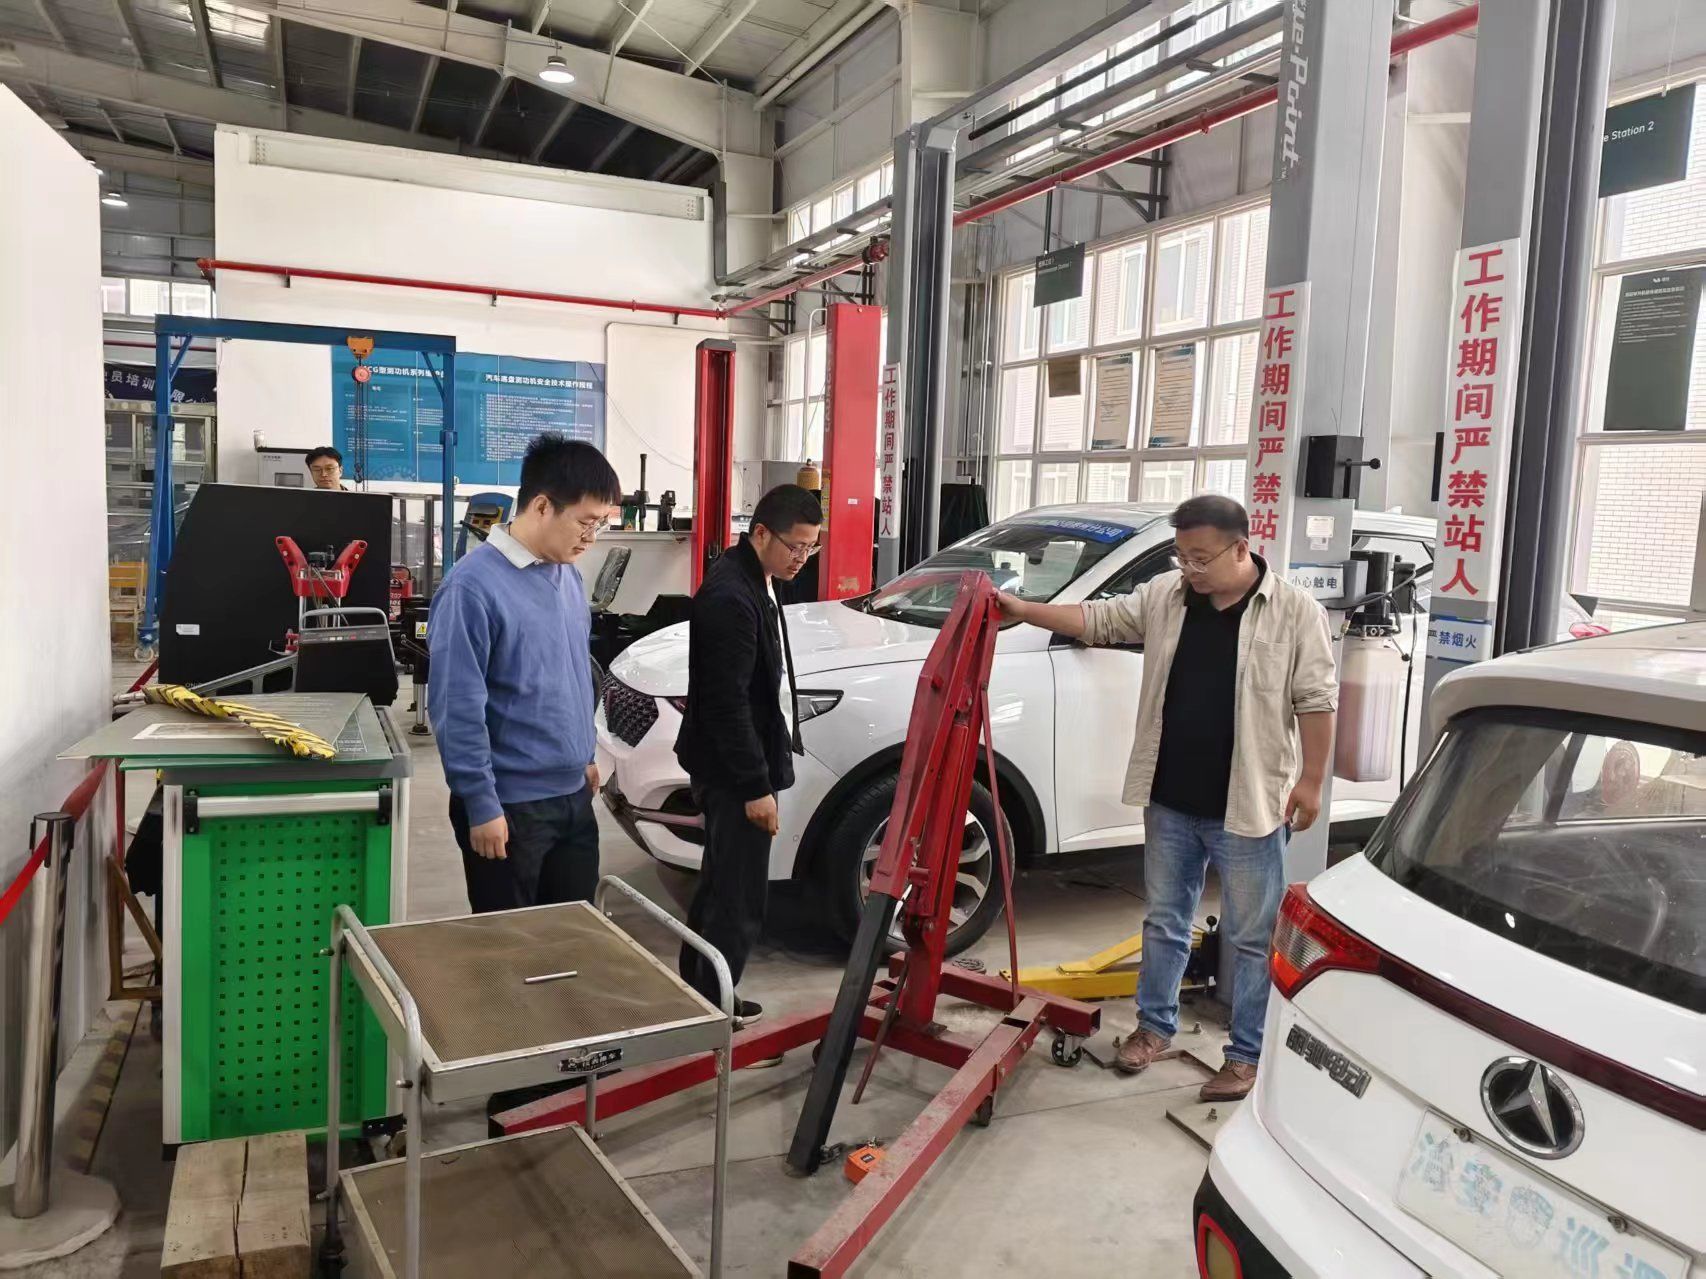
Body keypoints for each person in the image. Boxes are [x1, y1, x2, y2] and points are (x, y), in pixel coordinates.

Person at [997, 494, 1336, 1102]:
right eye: (1182, 556)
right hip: (1172, 798)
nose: (1190, 569)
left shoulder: (1293, 611)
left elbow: (1316, 700)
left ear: (1241, 547)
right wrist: (1023, 610)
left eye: (1201, 558)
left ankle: (1246, 1055)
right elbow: (1098, 620)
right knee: (1164, 921)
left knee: (1253, 937)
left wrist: (1311, 781)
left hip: (1248, 805)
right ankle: (1153, 1028)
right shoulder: (1166, 596)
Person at [429, 433, 621, 914]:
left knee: (572, 935)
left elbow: (571, 674)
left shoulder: (567, 575)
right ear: (541, 506)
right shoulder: (472, 588)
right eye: (586, 521)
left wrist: (584, 754)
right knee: (511, 947)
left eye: (601, 524)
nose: (591, 537)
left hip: (573, 796)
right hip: (509, 807)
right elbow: (456, 707)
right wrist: (480, 802)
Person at [675, 485, 821, 1023]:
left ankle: (699, 996)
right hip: (734, 776)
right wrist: (756, 788)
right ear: (761, 533)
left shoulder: (755, 577)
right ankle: (716, 1015)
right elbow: (726, 705)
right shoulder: (730, 597)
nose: (802, 558)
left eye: (811, 548)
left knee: (719, 888)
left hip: (734, 765)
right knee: (738, 901)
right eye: (795, 546)